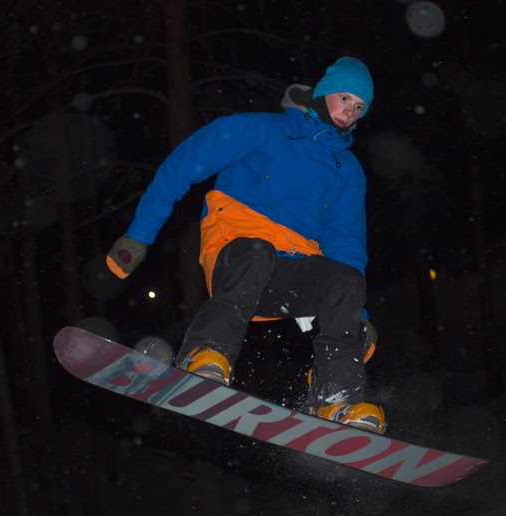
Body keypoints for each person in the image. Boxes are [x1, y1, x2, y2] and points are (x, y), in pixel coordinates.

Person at [105, 56, 385, 434]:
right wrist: (138, 237)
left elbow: (346, 242)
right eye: (345, 97)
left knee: (346, 279)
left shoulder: (347, 170)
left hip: (289, 276)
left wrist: (358, 316)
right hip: (235, 252)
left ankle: (335, 397)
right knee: (258, 252)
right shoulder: (262, 129)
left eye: (359, 106)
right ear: (323, 92)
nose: (349, 111)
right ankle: (205, 353)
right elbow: (183, 165)